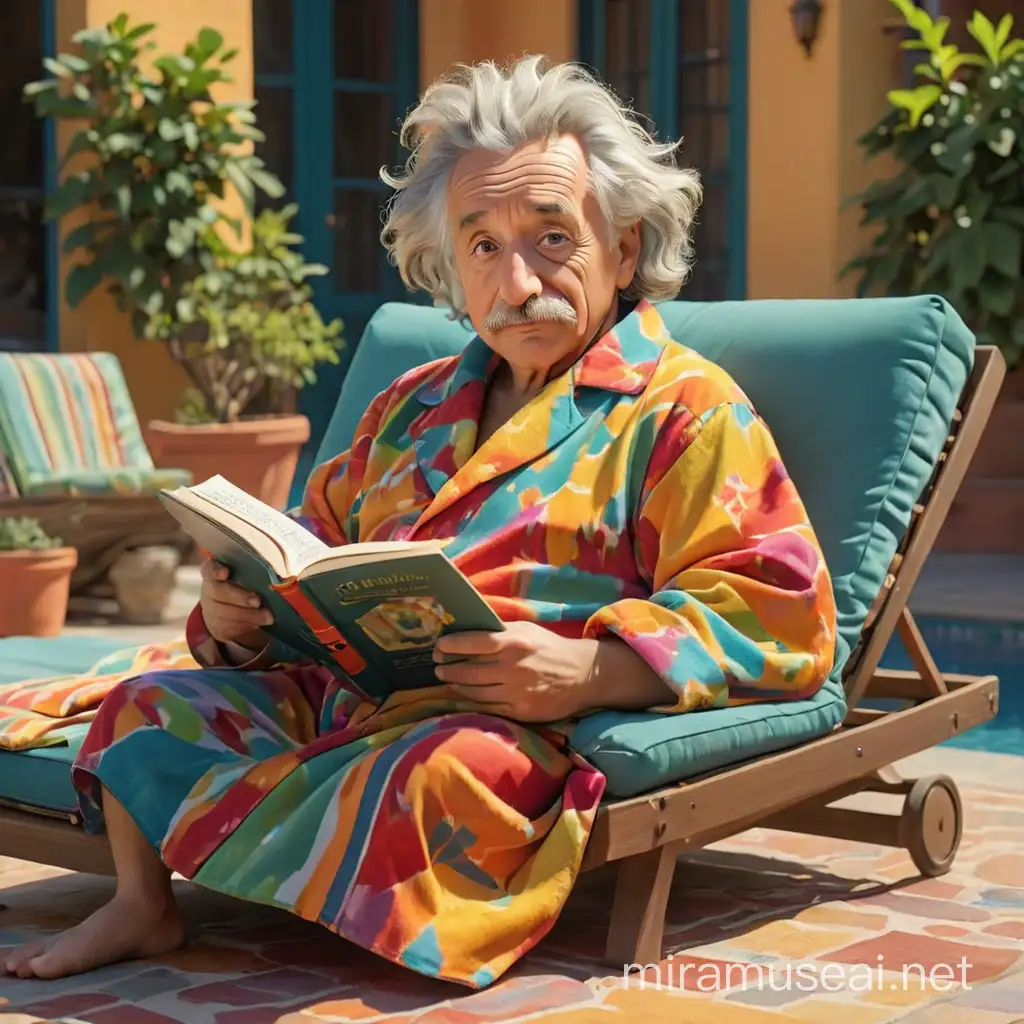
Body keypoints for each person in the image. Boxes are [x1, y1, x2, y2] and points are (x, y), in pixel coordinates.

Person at [4, 56, 836, 987]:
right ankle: (144, 903)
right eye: (482, 245)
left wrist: (589, 670)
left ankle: (300, 877)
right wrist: (239, 618)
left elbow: (781, 610)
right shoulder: (410, 405)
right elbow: (308, 549)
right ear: (452, 264)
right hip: (340, 698)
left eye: (552, 237)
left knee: (436, 777)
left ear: (626, 248)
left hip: (503, 728)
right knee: (145, 708)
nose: (517, 281)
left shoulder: (686, 410)